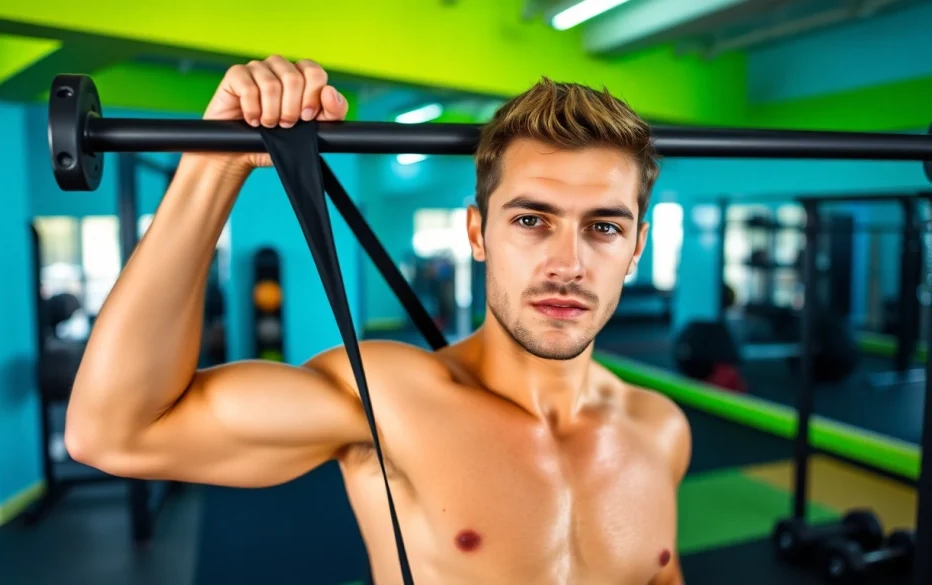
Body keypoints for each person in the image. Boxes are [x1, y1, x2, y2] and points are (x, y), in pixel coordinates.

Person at [64, 55, 691, 585]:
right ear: (477, 233)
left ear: (636, 247)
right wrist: (213, 165)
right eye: (531, 220)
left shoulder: (661, 430)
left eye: (604, 227)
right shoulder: (386, 399)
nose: (569, 264)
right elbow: (115, 434)